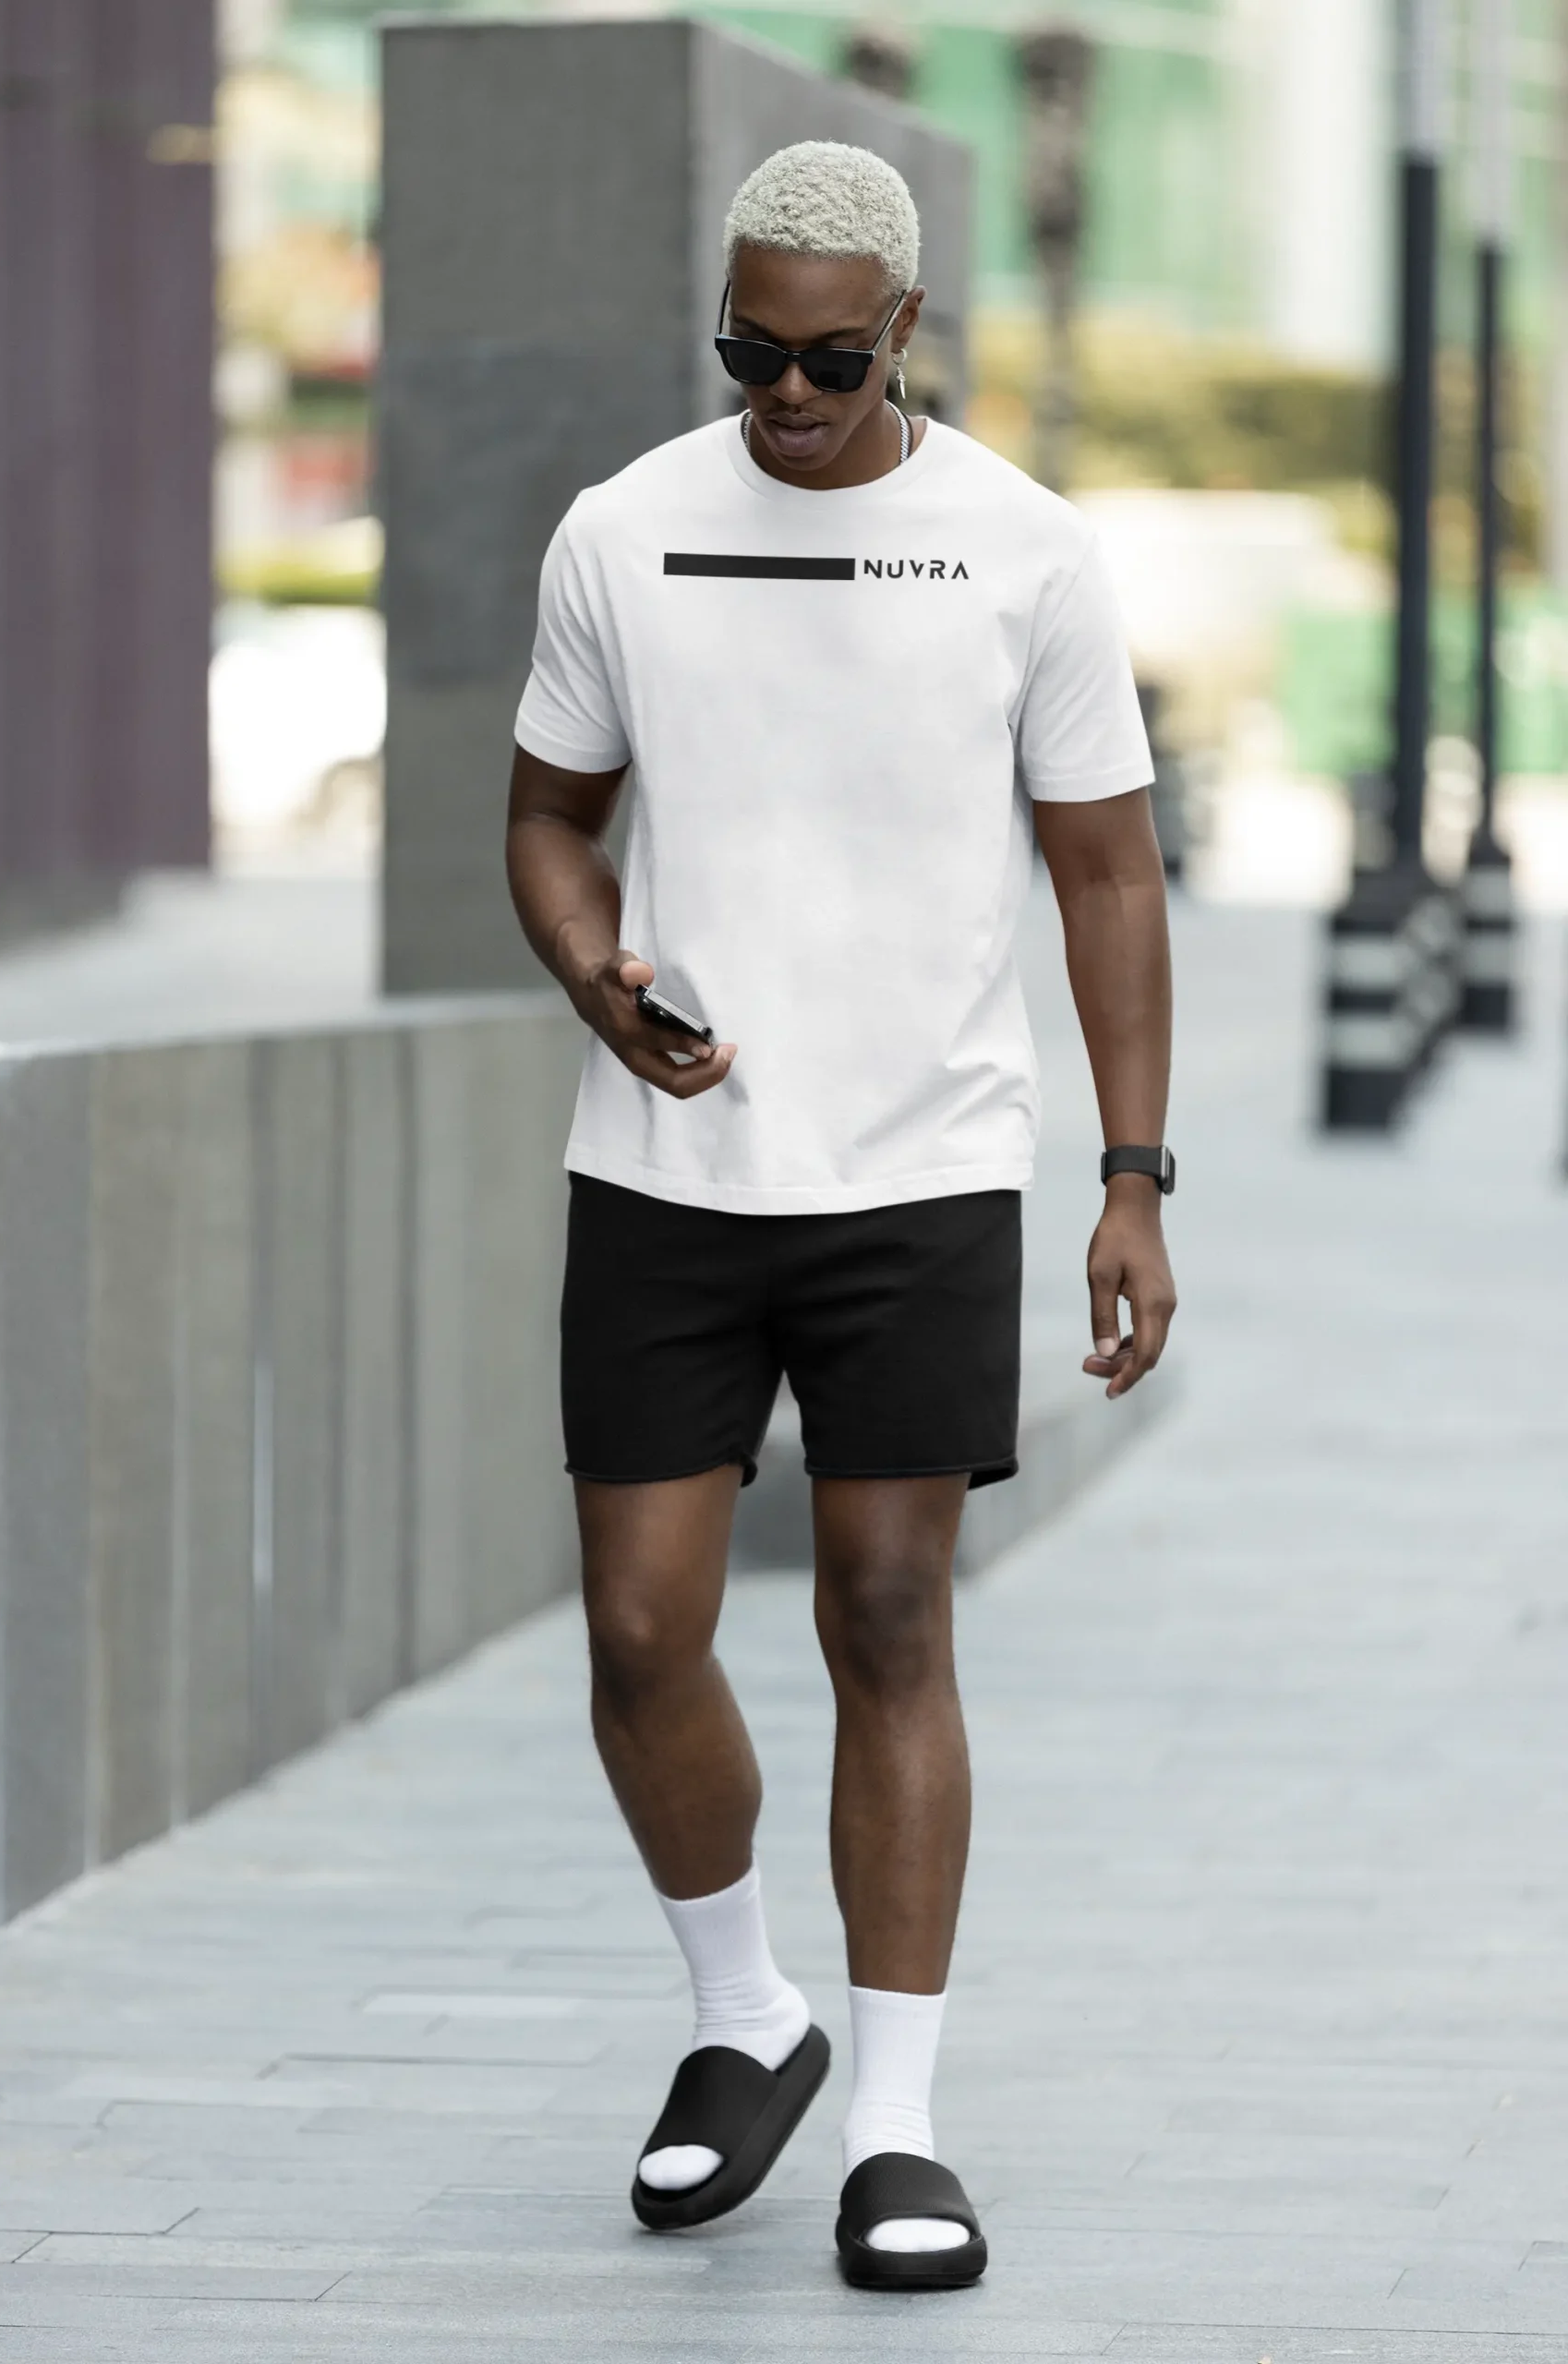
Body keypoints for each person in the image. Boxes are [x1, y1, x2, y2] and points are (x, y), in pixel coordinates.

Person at [504, 139, 1176, 2291]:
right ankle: (747, 2015)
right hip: (668, 1173)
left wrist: (1133, 1177)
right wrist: (594, 974)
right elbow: (547, 819)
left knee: (889, 1615)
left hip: (924, 1168)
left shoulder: (1022, 550)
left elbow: (1105, 873)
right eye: (747, 353)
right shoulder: (623, 530)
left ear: (901, 332)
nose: (783, 396)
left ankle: (895, 2121)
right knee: (638, 1630)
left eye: (823, 359)